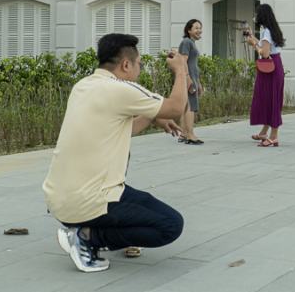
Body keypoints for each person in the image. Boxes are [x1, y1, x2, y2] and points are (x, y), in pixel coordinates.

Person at [42, 33, 187, 273]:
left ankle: (84, 230)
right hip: (87, 202)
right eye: (139, 64)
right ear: (126, 64)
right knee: (170, 225)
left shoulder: (83, 86)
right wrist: (181, 70)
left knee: (150, 208)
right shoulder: (120, 89)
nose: (139, 69)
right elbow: (176, 107)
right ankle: (87, 237)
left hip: (61, 199)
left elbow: (121, 130)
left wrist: (154, 118)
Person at [246, 4, 286, 147]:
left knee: (271, 100)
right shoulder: (272, 30)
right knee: (271, 100)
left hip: (270, 69)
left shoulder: (267, 32)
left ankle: (274, 136)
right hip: (276, 66)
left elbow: (265, 53)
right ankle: (264, 132)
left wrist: (253, 45)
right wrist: (254, 39)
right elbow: (267, 47)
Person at [178, 19, 204, 144]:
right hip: (187, 78)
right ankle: (190, 135)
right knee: (191, 106)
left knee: (186, 106)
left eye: (200, 28)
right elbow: (183, 61)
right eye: (196, 28)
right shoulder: (187, 42)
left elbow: (193, 64)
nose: (199, 31)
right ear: (189, 30)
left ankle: (183, 134)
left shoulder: (191, 43)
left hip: (192, 78)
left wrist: (197, 83)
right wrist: (188, 78)